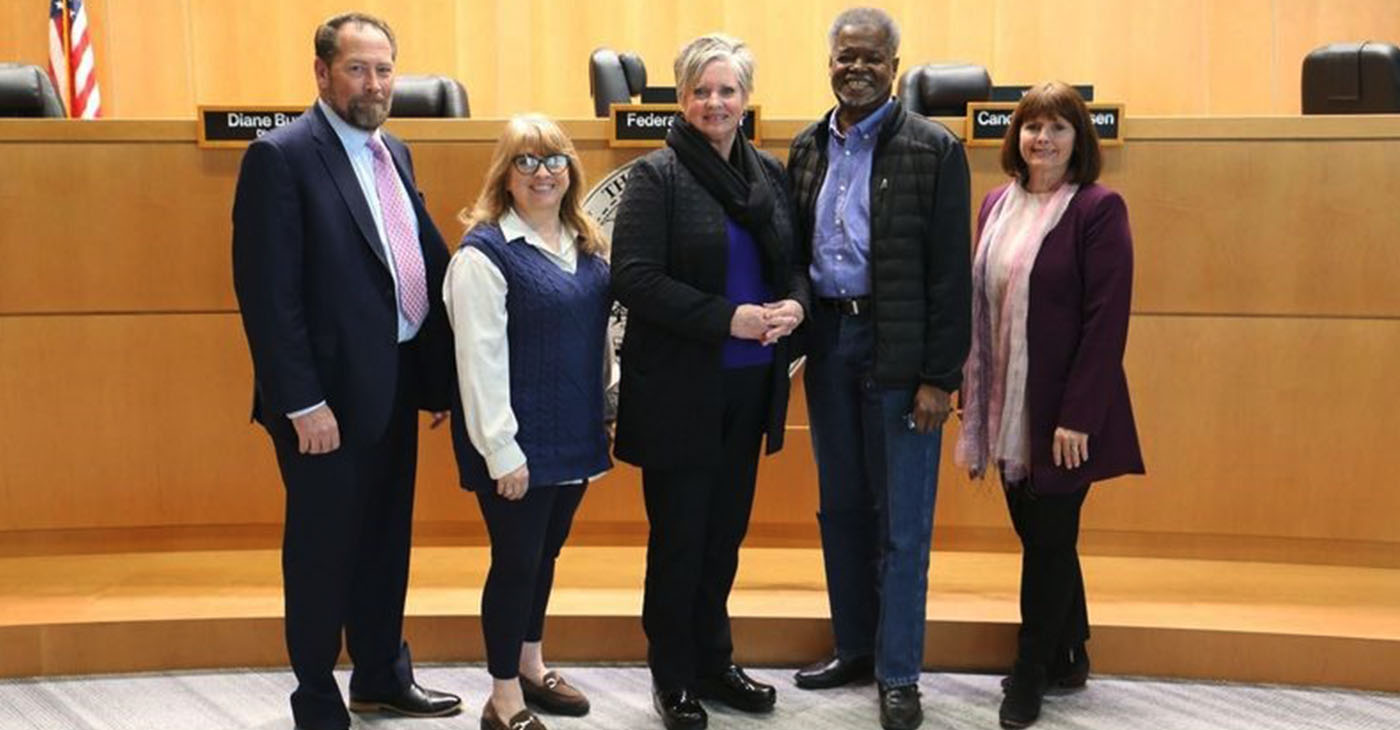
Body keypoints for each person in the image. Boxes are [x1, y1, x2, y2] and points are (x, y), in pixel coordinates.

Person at [230, 12, 461, 730]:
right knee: (323, 550)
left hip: (392, 383)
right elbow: (268, 296)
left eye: (384, 68)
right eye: (358, 68)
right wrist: (300, 402)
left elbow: (410, 265)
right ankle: (316, 696)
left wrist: (438, 377)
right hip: (323, 402)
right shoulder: (282, 156)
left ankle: (381, 676)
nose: (374, 83)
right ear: (322, 73)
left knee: (386, 540)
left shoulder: (396, 153)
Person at [611, 33, 807, 730]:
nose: (714, 102)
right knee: (680, 541)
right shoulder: (656, 177)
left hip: (751, 387)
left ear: (746, 99)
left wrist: (795, 305)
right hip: (679, 392)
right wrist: (730, 319)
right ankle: (673, 675)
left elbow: (793, 261)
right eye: (701, 90)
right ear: (682, 97)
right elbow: (632, 279)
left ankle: (714, 660)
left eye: (727, 90)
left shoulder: (769, 176)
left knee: (723, 537)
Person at [787, 7, 971, 730]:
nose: (855, 68)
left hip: (901, 358)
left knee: (902, 525)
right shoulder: (807, 147)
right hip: (830, 346)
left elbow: (950, 277)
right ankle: (855, 648)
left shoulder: (935, 149)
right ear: (829, 61)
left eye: (870, 58)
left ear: (895, 66)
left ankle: (899, 673)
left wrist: (940, 378)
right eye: (844, 56)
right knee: (841, 510)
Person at [954, 81, 1145, 729]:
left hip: (1063, 413)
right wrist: (968, 391)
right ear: (1017, 136)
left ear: (1079, 140)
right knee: (1042, 535)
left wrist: (1078, 417)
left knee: (1048, 540)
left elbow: (1105, 320)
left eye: (1059, 128)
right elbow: (978, 307)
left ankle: (1030, 672)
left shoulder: (1098, 208)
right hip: (1003, 402)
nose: (1043, 138)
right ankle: (1071, 648)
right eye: (1033, 126)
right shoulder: (993, 204)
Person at [443, 115, 612, 730]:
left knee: (546, 556)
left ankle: (532, 665)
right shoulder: (484, 255)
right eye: (526, 162)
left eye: (554, 160)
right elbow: (478, 362)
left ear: (571, 170)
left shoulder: (585, 243)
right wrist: (502, 451)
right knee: (515, 561)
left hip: (575, 432)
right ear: (504, 176)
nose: (542, 173)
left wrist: (608, 404)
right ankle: (504, 694)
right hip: (514, 444)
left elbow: (599, 341)